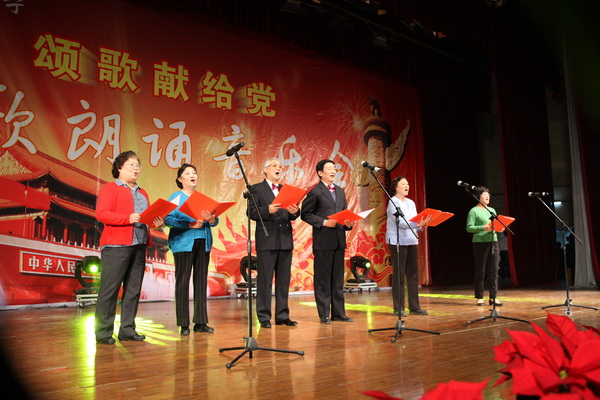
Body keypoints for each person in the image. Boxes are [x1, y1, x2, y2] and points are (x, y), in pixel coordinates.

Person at [95, 151, 163, 345]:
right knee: (110, 290)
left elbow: (146, 218)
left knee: (133, 289)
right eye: (131, 165)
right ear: (119, 168)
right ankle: (103, 332)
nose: (136, 168)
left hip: (139, 244)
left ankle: (127, 329)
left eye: (138, 165)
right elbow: (102, 214)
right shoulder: (111, 188)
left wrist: (156, 223)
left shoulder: (143, 192)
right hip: (116, 245)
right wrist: (127, 218)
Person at [165, 164, 219, 335]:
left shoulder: (201, 198)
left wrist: (212, 220)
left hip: (203, 241)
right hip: (183, 242)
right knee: (182, 282)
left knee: (201, 281)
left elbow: (214, 220)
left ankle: (200, 322)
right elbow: (168, 218)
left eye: (194, 173)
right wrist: (188, 224)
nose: (192, 175)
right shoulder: (176, 197)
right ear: (180, 179)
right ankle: (183, 324)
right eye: (187, 173)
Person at [248, 158, 300, 328]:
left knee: (283, 281)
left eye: (280, 166)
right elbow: (251, 212)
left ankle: (282, 316)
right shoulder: (256, 189)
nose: (278, 168)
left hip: (285, 239)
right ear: (265, 170)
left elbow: (291, 214)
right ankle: (264, 317)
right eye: (274, 166)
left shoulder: (286, 190)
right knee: (265, 280)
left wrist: (295, 211)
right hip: (267, 239)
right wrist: (267, 210)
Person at [301, 159, 355, 324]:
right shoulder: (315, 191)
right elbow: (305, 214)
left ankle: (339, 313)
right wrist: (324, 222)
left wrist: (348, 224)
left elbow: (344, 214)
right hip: (323, 241)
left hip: (338, 240)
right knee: (323, 279)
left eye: (334, 168)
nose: (333, 171)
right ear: (320, 173)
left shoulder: (340, 191)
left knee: (337, 280)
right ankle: (324, 314)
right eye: (329, 168)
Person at [386, 176, 431, 317]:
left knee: (413, 274)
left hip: (412, 240)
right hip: (397, 241)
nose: (407, 186)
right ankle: (398, 308)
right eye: (403, 184)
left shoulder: (411, 202)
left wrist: (421, 226)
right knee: (399, 274)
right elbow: (401, 222)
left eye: (408, 184)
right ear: (396, 187)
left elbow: (415, 221)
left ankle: (414, 307)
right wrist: (417, 224)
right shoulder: (393, 202)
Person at [466, 186, 503, 306]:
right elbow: (469, 228)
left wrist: (499, 227)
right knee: (480, 270)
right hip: (479, 242)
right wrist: (483, 227)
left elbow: (495, 224)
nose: (488, 196)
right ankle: (480, 297)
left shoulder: (492, 210)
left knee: (494, 270)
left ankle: (493, 297)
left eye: (488, 194)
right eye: (484, 194)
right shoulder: (474, 211)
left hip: (493, 241)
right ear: (478, 196)